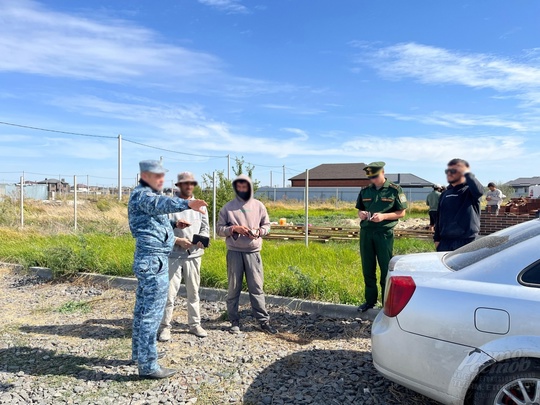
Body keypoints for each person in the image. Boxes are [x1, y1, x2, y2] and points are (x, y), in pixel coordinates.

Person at [128, 160, 207, 379]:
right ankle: (149, 366)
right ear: (145, 176)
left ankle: (140, 354)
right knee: (151, 314)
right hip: (153, 260)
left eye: (163, 176)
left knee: (143, 310)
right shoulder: (143, 194)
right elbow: (159, 205)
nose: (161, 180)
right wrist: (186, 205)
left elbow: (152, 221)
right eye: (157, 176)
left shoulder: (146, 195)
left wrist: (173, 225)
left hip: (153, 259)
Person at [217, 174, 277, 334]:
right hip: (234, 252)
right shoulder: (227, 208)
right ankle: (234, 321)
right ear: (236, 188)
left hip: (253, 251)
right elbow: (219, 230)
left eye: (245, 187)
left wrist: (259, 232)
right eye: (239, 187)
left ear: (250, 188)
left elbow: (268, 225)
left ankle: (263, 321)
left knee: (257, 287)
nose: (242, 189)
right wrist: (233, 229)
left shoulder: (259, 206)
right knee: (233, 288)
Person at [159, 172, 209, 342]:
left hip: (194, 255)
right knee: (169, 294)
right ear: (178, 186)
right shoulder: (169, 205)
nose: (189, 186)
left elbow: (205, 229)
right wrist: (177, 240)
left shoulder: (200, 206)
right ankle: (165, 326)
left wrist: (201, 240)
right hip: (172, 255)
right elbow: (161, 231)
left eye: (191, 183)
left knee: (193, 292)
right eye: (185, 184)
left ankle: (195, 324)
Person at [355, 162, 408, 312]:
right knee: (368, 267)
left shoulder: (395, 190)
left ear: (383, 173)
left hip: (384, 233)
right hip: (367, 233)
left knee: (385, 268)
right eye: (370, 177)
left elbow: (401, 213)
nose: (373, 180)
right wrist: (362, 214)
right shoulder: (365, 191)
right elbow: (360, 210)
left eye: (376, 176)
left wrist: (384, 216)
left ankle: (386, 304)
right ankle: (370, 301)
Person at [434, 158, 484, 252]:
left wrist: (467, 174)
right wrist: (436, 239)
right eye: (448, 171)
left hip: (467, 241)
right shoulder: (445, 194)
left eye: (453, 170)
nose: (449, 173)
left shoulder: (470, 191)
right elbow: (439, 217)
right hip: (445, 242)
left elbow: (480, 191)